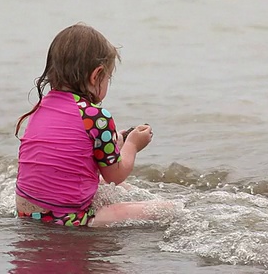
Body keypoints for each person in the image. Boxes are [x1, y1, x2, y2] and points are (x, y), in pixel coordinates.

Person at [14, 23, 164, 227]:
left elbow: (74, 152)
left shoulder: (41, 107)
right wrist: (133, 145)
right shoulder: (95, 116)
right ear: (96, 75)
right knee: (165, 209)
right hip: (70, 220)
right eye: (108, 78)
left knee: (114, 188)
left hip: (27, 211)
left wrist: (116, 142)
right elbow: (115, 176)